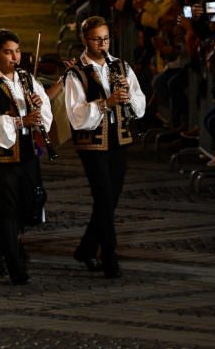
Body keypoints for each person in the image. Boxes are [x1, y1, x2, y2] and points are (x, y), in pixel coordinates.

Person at [64, 16, 146, 279]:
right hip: (92, 143)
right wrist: (105, 103)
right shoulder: (76, 73)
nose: (103, 44)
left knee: (111, 199)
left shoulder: (121, 67)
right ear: (85, 40)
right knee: (103, 197)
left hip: (119, 138)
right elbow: (76, 116)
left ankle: (86, 248)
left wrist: (128, 97)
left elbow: (140, 104)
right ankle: (109, 256)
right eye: (97, 39)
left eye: (106, 39)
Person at [0, 29, 52, 285]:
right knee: (8, 209)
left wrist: (39, 107)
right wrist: (19, 121)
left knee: (32, 202)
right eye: (8, 52)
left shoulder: (26, 79)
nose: (14, 57)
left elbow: (44, 109)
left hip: (27, 150)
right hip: (0, 154)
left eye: (17, 51)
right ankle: (16, 266)